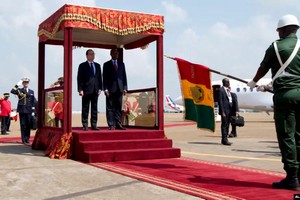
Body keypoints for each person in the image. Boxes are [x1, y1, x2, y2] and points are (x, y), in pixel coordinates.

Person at [247, 14, 300, 190]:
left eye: (279, 30)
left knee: (287, 136)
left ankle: (292, 177)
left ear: (283, 30)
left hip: (285, 97)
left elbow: (263, 67)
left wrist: (254, 82)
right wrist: (271, 84)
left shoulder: (276, 47)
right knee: (299, 135)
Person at [77, 49, 102, 131]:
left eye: (93, 54)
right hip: (86, 90)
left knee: (94, 108)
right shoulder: (82, 65)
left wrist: (100, 88)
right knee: (85, 108)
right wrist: (80, 89)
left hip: (95, 90)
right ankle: (85, 125)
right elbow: (79, 78)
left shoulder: (97, 66)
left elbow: (99, 78)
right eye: (91, 54)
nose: (92, 55)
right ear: (87, 55)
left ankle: (94, 125)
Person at [103, 48, 128, 130]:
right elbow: (105, 78)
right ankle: (111, 124)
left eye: (117, 53)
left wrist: (125, 88)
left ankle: (118, 124)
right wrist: (105, 89)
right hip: (110, 89)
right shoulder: (106, 64)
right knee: (110, 108)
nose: (116, 54)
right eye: (114, 53)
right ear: (111, 54)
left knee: (118, 107)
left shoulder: (122, 64)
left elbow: (124, 76)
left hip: (119, 89)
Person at [11, 77, 36, 145]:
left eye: (27, 82)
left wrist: (33, 110)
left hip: (29, 110)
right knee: (23, 125)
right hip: (22, 110)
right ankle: (23, 140)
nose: (26, 83)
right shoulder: (20, 90)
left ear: (28, 83)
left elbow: (33, 101)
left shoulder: (31, 91)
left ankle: (27, 139)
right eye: (24, 82)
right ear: (22, 83)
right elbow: (12, 91)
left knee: (28, 125)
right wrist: (17, 85)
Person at [218, 78, 233, 145]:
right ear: (224, 83)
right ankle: (224, 139)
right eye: (228, 82)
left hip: (229, 110)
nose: (229, 83)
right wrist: (222, 112)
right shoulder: (221, 90)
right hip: (224, 111)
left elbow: (229, 99)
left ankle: (225, 139)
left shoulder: (227, 90)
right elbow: (220, 101)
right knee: (224, 125)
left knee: (227, 125)